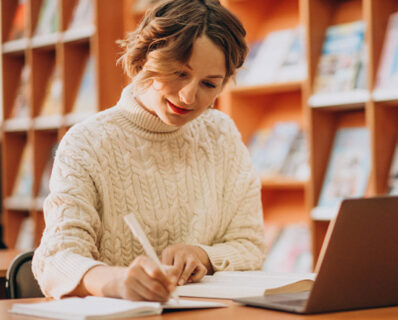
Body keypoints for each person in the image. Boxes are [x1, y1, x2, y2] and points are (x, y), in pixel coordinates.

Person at [32, 0, 265, 302]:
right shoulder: (87, 143)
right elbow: (55, 260)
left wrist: (203, 256)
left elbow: (251, 245)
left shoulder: (221, 135)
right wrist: (117, 282)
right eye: (180, 73)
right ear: (145, 58)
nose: (189, 95)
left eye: (209, 84)